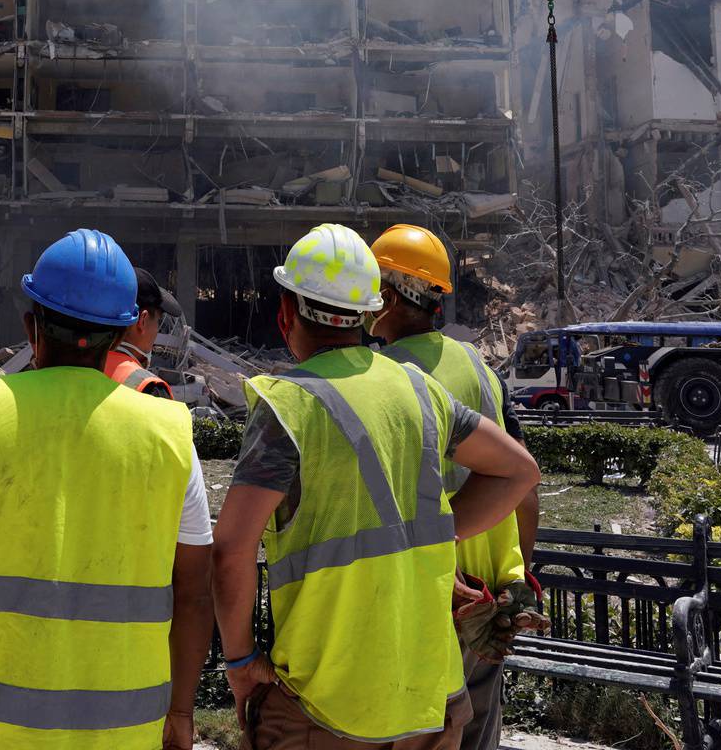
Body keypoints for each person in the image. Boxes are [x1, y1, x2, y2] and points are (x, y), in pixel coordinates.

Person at [0, 229, 214, 750]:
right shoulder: (170, 431)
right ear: (125, 330)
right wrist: (182, 711)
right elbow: (193, 594)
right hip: (122, 733)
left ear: (31, 327)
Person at [212, 223, 541, 750]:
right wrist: (438, 535)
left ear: (285, 314)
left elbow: (230, 549)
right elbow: (520, 471)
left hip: (326, 703)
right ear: (368, 312)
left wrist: (240, 661)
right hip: (431, 697)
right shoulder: (420, 389)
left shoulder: (288, 406)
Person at [370, 224, 546, 750]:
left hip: (434, 592)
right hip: (489, 597)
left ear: (385, 295)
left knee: (422, 732)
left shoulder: (385, 379)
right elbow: (525, 484)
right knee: (476, 735)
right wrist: (516, 581)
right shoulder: (481, 368)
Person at [104, 268, 178, 397]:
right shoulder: (150, 389)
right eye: (158, 321)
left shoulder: (73, 367)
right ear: (142, 321)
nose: (157, 331)